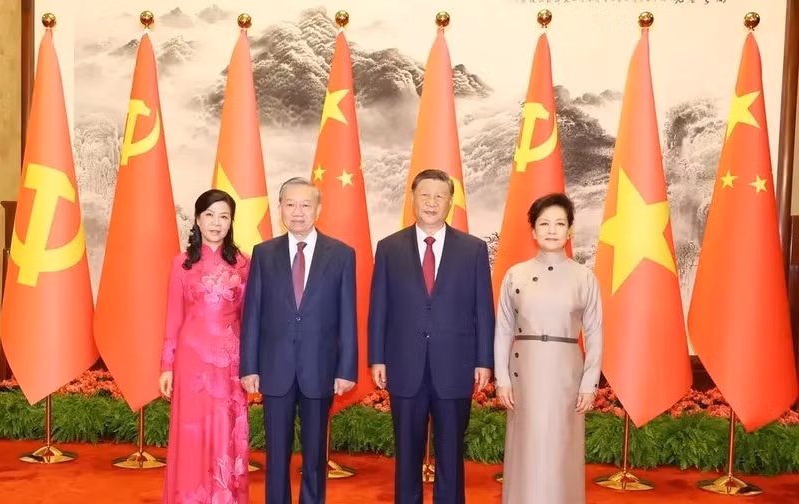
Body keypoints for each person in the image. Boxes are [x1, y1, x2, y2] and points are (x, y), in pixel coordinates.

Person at [368, 169, 495, 504]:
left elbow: (483, 310)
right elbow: (379, 308)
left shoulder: (473, 250)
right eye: (425, 195)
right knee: (406, 453)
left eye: (440, 196)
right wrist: (377, 357)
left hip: (454, 367)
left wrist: (484, 360)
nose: (432, 202)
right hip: (404, 365)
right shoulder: (389, 248)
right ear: (412, 199)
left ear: (451, 202)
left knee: (451, 454)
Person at [239, 177, 357, 504]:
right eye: (290, 205)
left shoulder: (342, 254)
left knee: (315, 455)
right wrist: (249, 366)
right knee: (276, 455)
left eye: (306, 205)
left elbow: (348, 315)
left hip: (319, 369)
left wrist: (346, 368)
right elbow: (253, 314)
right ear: (280, 209)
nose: (298, 212)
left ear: (318, 209)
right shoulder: (264, 254)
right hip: (275, 369)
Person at [494, 192, 603, 504]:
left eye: (559, 223)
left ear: (569, 230)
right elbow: (502, 329)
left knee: (561, 449)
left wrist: (589, 383)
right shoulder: (515, 274)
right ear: (533, 230)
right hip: (523, 373)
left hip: (567, 374)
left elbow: (595, 332)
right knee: (525, 448)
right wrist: (502, 378)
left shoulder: (584, 277)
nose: (552, 230)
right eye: (544, 223)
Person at [159, 189, 250, 504]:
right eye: (210, 215)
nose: (216, 222)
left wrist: (251, 365)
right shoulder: (181, 264)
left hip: (231, 364)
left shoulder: (244, 264)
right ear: (197, 219)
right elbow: (174, 317)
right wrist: (166, 365)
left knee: (226, 432)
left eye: (224, 216)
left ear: (231, 222)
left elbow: (250, 320)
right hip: (191, 363)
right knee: (191, 434)